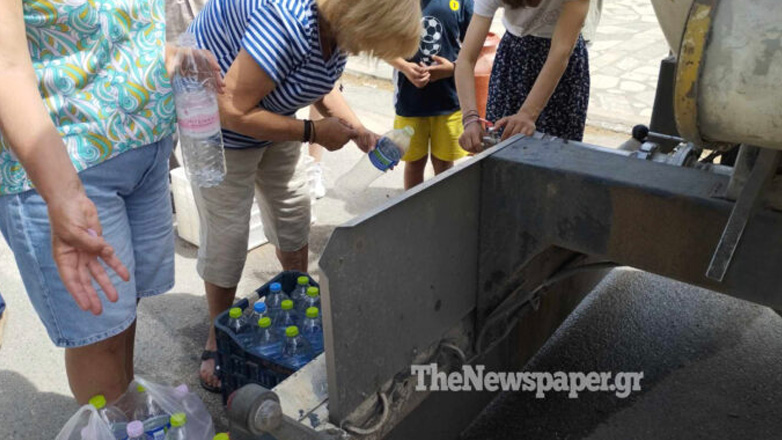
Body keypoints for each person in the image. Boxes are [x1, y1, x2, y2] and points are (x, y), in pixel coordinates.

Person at [188, 0, 421, 392]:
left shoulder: (338, 27)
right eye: (372, 42)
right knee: (227, 235)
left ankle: (294, 303)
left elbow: (319, 80)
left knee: (294, 212)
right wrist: (312, 133)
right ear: (363, 18)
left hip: (271, 113)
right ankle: (218, 336)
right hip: (220, 125)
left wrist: (358, 130)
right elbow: (230, 109)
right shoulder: (288, 20)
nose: (366, 51)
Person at [0, 0, 218, 403]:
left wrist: (165, 54)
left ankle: (123, 420)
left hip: (144, 146)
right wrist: (62, 192)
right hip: (70, 165)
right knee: (99, 333)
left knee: (123, 315)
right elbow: (5, 66)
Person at [456, 0, 591, 152]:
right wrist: (470, 118)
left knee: (557, 153)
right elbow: (466, 59)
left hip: (561, 71)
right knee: (503, 146)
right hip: (513, 60)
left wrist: (527, 114)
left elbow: (560, 52)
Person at [390, 0, 474, 189]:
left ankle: (440, 211)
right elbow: (380, 44)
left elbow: (474, 48)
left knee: (444, 164)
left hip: (448, 102)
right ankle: (413, 211)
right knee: (414, 163)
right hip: (409, 102)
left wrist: (453, 68)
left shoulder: (462, 3)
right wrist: (404, 67)